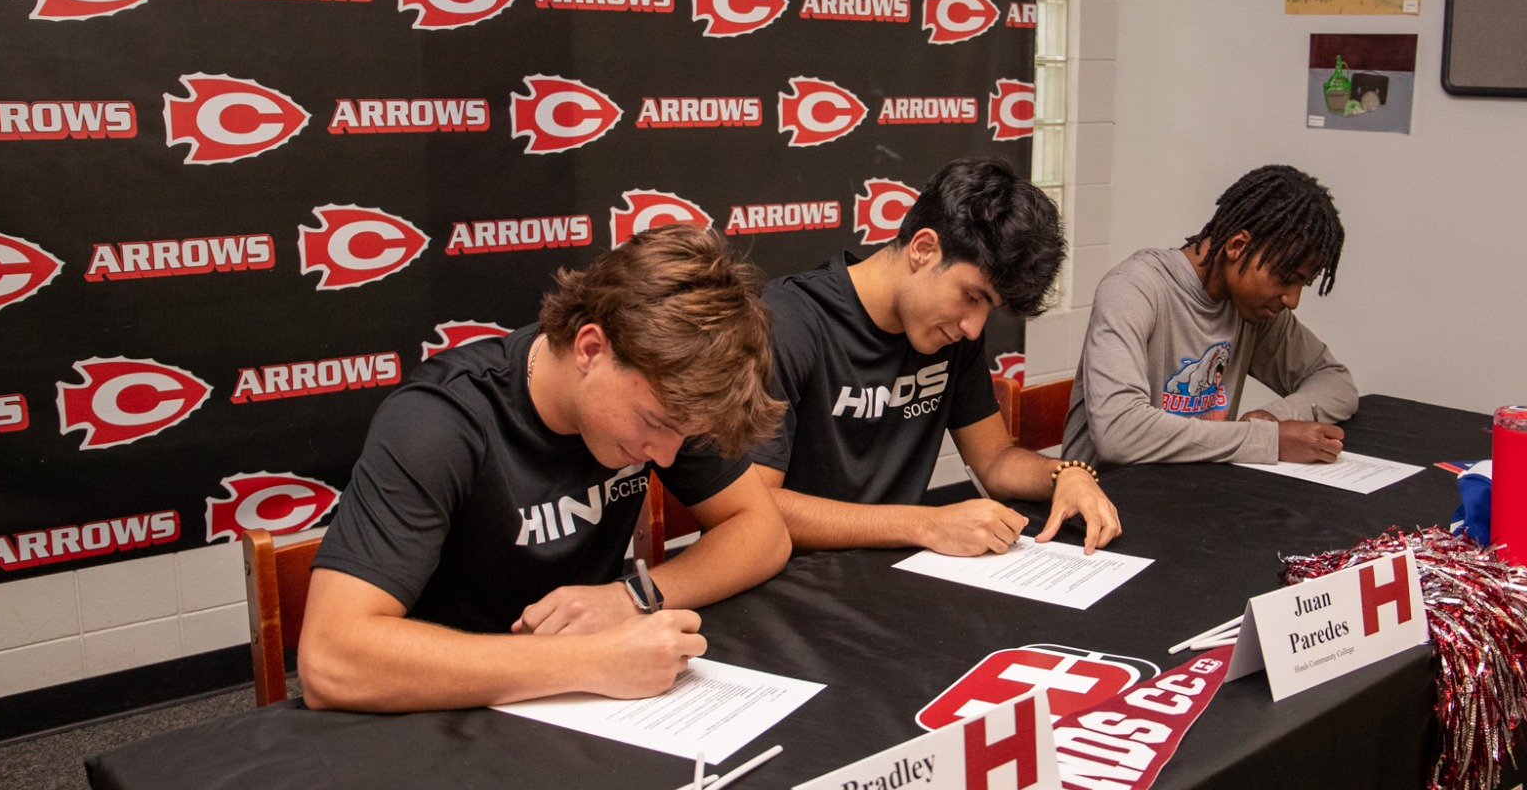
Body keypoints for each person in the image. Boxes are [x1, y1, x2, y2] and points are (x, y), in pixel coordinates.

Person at [299, 225, 791, 712]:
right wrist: (586, 660)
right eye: (655, 424)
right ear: (591, 349)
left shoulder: (667, 398)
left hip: (581, 705)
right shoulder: (439, 422)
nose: (665, 455)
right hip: (440, 709)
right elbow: (331, 658)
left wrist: (631, 597)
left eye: (681, 436)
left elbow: (763, 532)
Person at [751, 157, 1121, 555]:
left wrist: (1065, 473)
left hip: (891, 573)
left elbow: (994, 460)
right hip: (787, 581)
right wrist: (927, 524)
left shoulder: (953, 336)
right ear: (923, 249)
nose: (974, 327)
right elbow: (754, 508)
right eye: (971, 296)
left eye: (988, 308)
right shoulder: (787, 322)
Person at [1062, 164, 1356, 469]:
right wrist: (1267, 440)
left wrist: (1275, 418)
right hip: (1105, 503)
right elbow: (1119, 432)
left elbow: (1336, 382)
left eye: (1302, 283)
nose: (1292, 300)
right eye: (1285, 277)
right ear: (1237, 246)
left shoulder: (1253, 311)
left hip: (1194, 496)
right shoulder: (1133, 289)